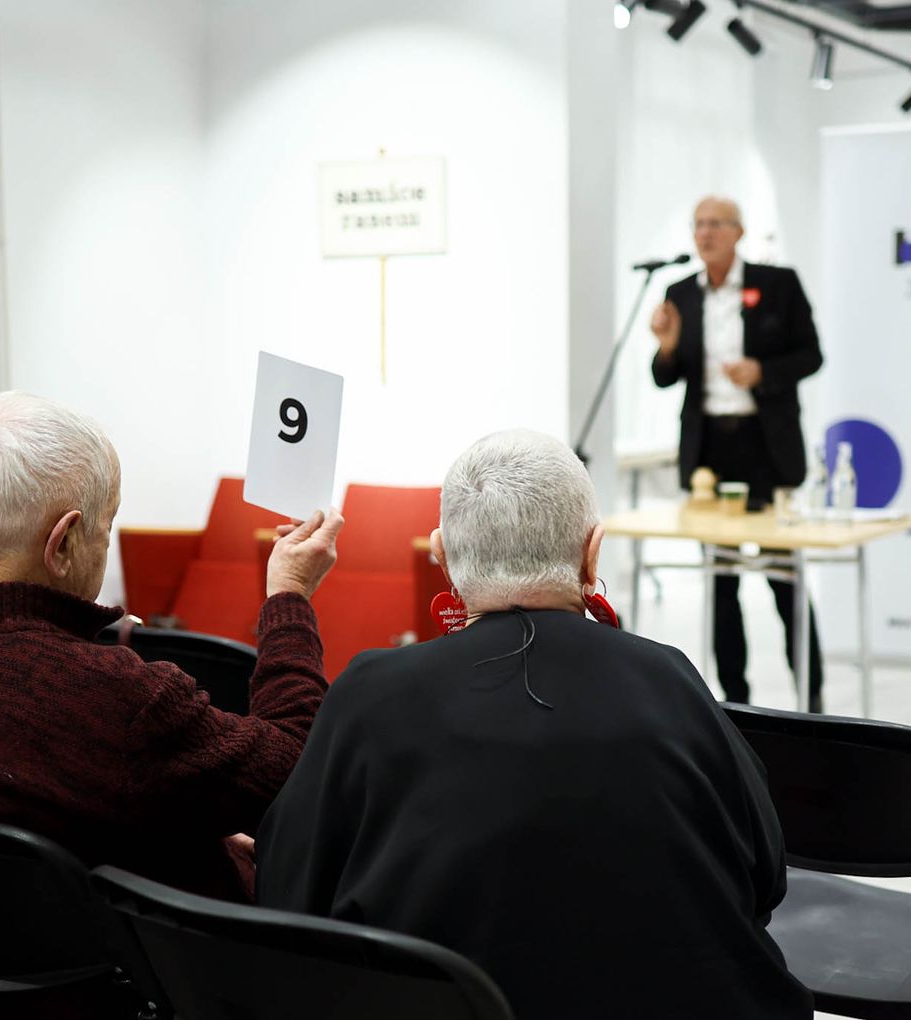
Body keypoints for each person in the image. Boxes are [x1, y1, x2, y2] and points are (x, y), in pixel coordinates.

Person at [255, 429, 811, 1020]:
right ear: (592, 552)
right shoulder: (669, 678)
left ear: (443, 557)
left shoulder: (368, 693)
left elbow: (289, 889)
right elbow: (764, 876)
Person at [0, 391, 343, 1019]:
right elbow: (296, 769)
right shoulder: (115, 700)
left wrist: (192, 819)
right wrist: (289, 595)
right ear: (64, 542)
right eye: (107, 525)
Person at [650, 195, 825, 709]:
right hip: (710, 452)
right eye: (698, 224)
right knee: (720, 584)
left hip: (765, 449)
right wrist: (666, 345)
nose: (705, 233)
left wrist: (762, 372)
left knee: (783, 578)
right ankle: (734, 703)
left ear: (739, 231)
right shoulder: (679, 293)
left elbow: (812, 354)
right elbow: (664, 376)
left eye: (716, 224)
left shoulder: (778, 284)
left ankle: (811, 697)